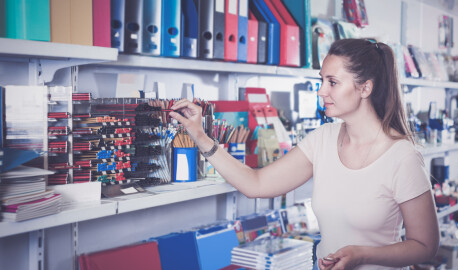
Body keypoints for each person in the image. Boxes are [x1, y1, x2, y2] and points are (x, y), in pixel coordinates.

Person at [169, 38, 440, 270]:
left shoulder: (401, 156)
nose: (322, 91)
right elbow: (256, 184)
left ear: (365, 88)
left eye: (332, 82)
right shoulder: (321, 140)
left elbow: (425, 246)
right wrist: (200, 135)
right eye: (321, 80)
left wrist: (361, 254)